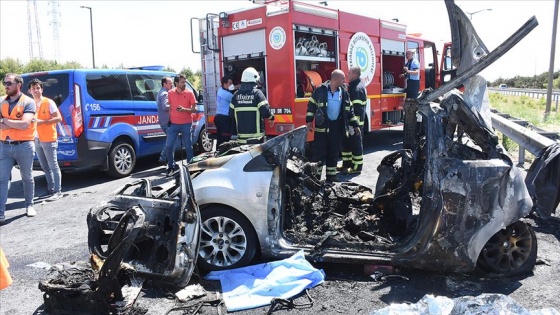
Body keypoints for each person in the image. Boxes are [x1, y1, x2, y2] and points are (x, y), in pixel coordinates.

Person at [306, 69, 360, 182]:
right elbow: (311, 105)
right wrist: (309, 120)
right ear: (335, 79)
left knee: (333, 152)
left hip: (336, 127)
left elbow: (350, 110)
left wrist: (355, 124)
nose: (345, 81)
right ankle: (316, 178)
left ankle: (331, 176)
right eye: (343, 78)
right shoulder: (320, 90)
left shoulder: (344, 92)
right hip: (322, 127)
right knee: (319, 154)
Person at [0, 73, 38, 222]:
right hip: (4, 146)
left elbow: (24, 124)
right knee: (2, 180)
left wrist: (4, 120)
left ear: (18, 85)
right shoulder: (1, 101)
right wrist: (13, 121)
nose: (6, 86)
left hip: (24, 146)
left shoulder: (28, 102)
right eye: (4, 83)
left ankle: (29, 205)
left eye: (9, 83)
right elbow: (18, 123)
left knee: (27, 177)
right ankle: (0, 213)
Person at [28, 78, 63, 201]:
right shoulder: (30, 104)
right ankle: (50, 189)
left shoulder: (49, 102)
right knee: (44, 166)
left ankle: (58, 191)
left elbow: (59, 118)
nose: (36, 90)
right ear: (29, 90)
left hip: (48, 138)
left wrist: (44, 122)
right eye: (33, 88)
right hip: (36, 139)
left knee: (53, 166)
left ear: (42, 89)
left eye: (38, 88)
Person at [229, 67, 274, 144]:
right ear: (254, 80)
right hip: (256, 139)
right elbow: (265, 111)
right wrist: (272, 117)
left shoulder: (235, 95)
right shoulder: (257, 94)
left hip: (241, 139)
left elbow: (230, 114)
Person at [165, 74, 197, 175]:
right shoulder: (170, 93)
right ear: (176, 83)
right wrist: (169, 118)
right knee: (168, 146)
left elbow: (195, 109)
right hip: (173, 123)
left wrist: (184, 109)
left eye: (185, 82)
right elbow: (170, 107)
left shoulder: (189, 93)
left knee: (188, 146)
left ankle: (190, 167)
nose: (185, 84)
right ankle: (171, 166)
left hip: (186, 123)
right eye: (183, 82)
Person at [340, 66, 367, 174]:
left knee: (356, 145)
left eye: (349, 73)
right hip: (350, 122)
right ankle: (346, 164)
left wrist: (354, 124)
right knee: (346, 144)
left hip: (355, 123)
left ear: (355, 74)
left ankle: (356, 167)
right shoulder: (353, 86)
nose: (347, 75)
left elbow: (357, 109)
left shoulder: (357, 89)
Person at [156, 76, 173, 164]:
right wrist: (174, 105)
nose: (172, 84)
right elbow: (165, 107)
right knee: (171, 141)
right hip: (166, 121)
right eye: (170, 83)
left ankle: (164, 158)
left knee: (170, 140)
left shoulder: (161, 92)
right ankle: (165, 159)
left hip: (164, 121)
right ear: (164, 84)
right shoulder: (165, 94)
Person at [215, 76, 235, 147]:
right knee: (226, 139)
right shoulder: (227, 95)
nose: (231, 85)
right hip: (225, 120)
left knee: (220, 138)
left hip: (218, 118)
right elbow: (236, 100)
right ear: (225, 84)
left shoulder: (220, 90)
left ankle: (218, 152)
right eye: (230, 83)